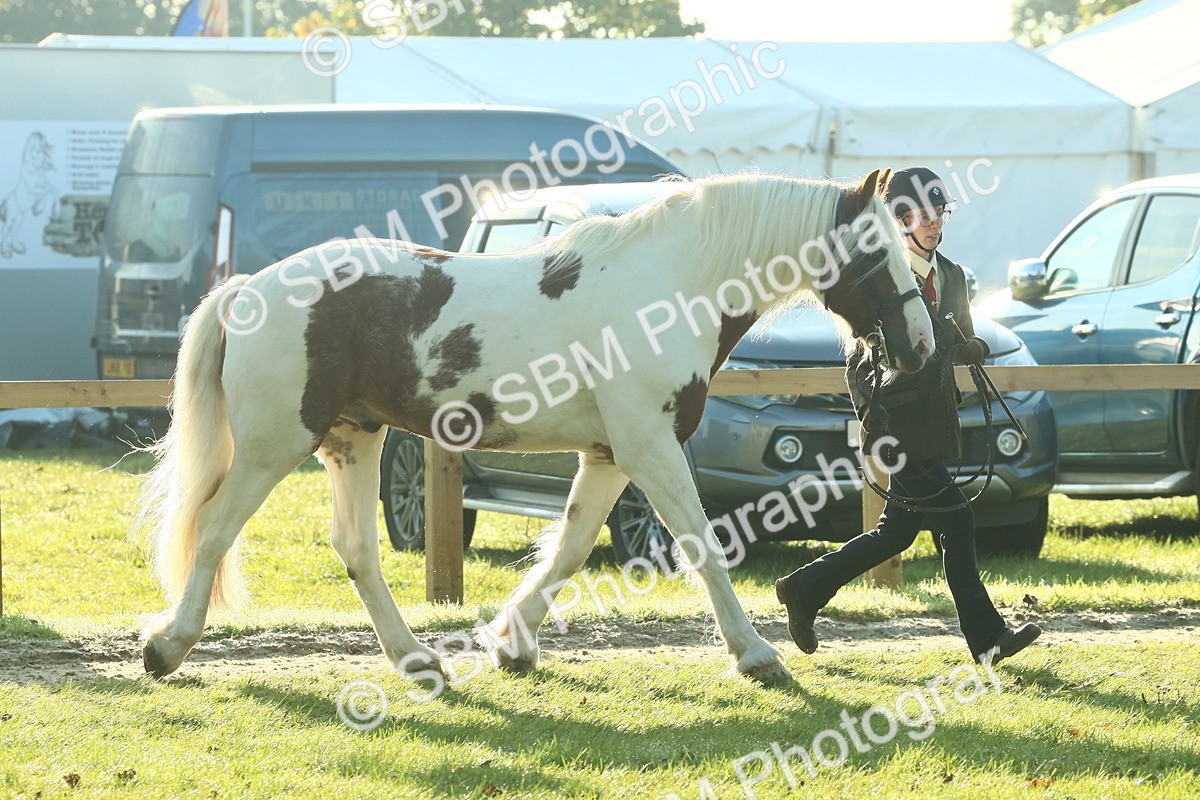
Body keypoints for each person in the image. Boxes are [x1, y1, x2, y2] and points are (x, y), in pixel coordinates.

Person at [775, 166, 1041, 666]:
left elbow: (957, 336)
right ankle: (988, 638)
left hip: (935, 419)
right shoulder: (880, 276)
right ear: (897, 222)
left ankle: (803, 588)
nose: (933, 222)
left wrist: (972, 347)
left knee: (896, 532)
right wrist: (870, 418)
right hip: (897, 423)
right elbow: (859, 361)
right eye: (921, 215)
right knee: (957, 517)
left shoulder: (952, 275)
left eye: (939, 212)